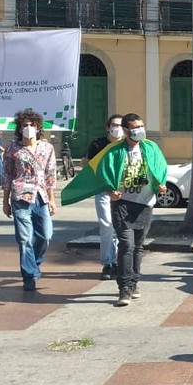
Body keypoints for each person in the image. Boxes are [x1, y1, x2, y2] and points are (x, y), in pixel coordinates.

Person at [109, 114, 169, 307]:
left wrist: (161, 184)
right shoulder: (115, 151)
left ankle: (135, 282)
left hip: (145, 203)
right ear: (126, 131)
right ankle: (124, 288)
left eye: (142, 126)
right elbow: (105, 172)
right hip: (122, 203)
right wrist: (110, 190)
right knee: (126, 244)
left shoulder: (150, 147)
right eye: (135, 128)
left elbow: (160, 168)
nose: (140, 130)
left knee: (138, 245)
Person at [1, 110, 57, 291]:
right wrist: (5, 201)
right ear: (19, 128)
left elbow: (51, 175)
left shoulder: (47, 148)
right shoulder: (12, 148)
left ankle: (34, 264)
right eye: (24, 125)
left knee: (46, 236)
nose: (28, 128)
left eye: (31, 125)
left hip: (41, 196)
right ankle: (29, 275)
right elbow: (7, 175)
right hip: (20, 197)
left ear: (38, 127)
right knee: (25, 239)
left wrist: (52, 199)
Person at [84, 114, 124, 280]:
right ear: (108, 127)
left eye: (121, 125)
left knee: (120, 227)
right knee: (106, 225)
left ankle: (119, 262)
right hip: (102, 190)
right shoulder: (97, 144)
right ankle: (108, 263)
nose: (117, 128)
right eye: (114, 125)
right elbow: (85, 162)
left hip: (123, 191)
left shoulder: (126, 145)